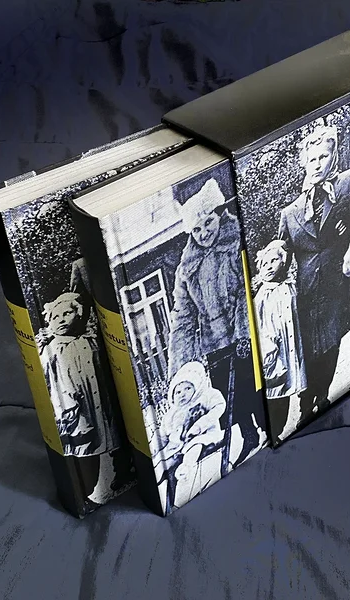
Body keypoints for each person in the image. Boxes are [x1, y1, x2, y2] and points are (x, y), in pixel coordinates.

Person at [168, 177, 266, 463]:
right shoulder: (187, 266)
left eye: (208, 223)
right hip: (214, 340)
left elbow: (245, 290)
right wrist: (181, 362)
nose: (204, 233)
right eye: (196, 229)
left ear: (219, 215)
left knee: (252, 382)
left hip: (243, 330)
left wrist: (244, 332)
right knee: (230, 394)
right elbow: (183, 315)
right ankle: (249, 435)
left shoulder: (236, 241)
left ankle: (270, 426)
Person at [279, 125, 350, 417]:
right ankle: (307, 404)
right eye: (312, 159)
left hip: (336, 284)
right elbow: (281, 256)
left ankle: (322, 396)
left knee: (330, 343)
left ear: (333, 156)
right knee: (309, 350)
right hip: (306, 295)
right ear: (304, 163)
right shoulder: (290, 213)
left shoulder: (347, 184)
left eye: (323, 157)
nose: (317, 165)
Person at [39, 292, 114, 456]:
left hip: (94, 394)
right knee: (84, 440)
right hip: (74, 404)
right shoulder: (52, 348)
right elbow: (44, 375)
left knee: (103, 429)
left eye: (67, 313)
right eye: (55, 317)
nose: (61, 320)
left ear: (78, 314)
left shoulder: (87, 340)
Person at [155, 361, 227, 510]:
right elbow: (162, 434)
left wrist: (200, 425)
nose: (183, 394)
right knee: (164, 461)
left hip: (202, 435)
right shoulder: (171, 414)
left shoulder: (204, 397)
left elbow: (219, 405)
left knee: (195, 445)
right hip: (176, 446)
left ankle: (186, 466)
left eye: (188, 388)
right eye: (178, 392)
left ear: (196, 388)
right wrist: (156, 447)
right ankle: (159, 481)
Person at [253, 240, 307, 399]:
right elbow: (259, 326)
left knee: (295, 372)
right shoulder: (262, 296)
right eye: (264, 264)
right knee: (278, 386)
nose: (269, 267)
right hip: (274, 346)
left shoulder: (289, 285)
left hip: (291, 338)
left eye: (274, 261)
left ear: (283, 262)